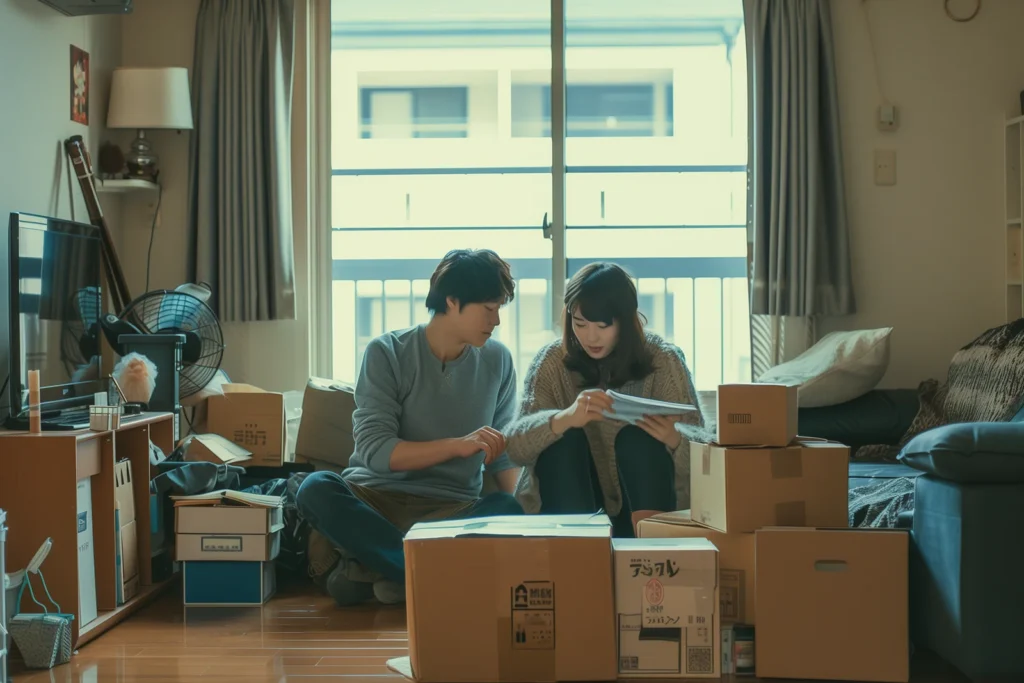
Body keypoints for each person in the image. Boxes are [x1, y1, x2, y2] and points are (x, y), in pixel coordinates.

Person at [296, 249, 525, 607]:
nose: (496, 321)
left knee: (507, 509)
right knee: (315, 488)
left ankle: (377, 571)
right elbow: (376, 451)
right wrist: (456, 445)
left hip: (448, 511)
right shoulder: (387, 352)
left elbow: (502, 456)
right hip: (375, 501)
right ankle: (420, 577)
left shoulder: (498, 360)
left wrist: (528, 514)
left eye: (499, 309)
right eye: (489, 308)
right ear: (452, 301)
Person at [504, 262, 704, 537]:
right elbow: (514, 448)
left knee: (639, 440)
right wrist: (563, 419)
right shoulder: (551, 361)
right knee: (564, 438)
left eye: (603, 325)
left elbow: (710, 458)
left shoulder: (663, 358)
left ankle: (652, 554)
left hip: (647, 507)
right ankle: (576, 554)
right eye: (580, 324)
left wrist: (675, 439)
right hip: (572, 512)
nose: (591, 336)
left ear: (626, 319)